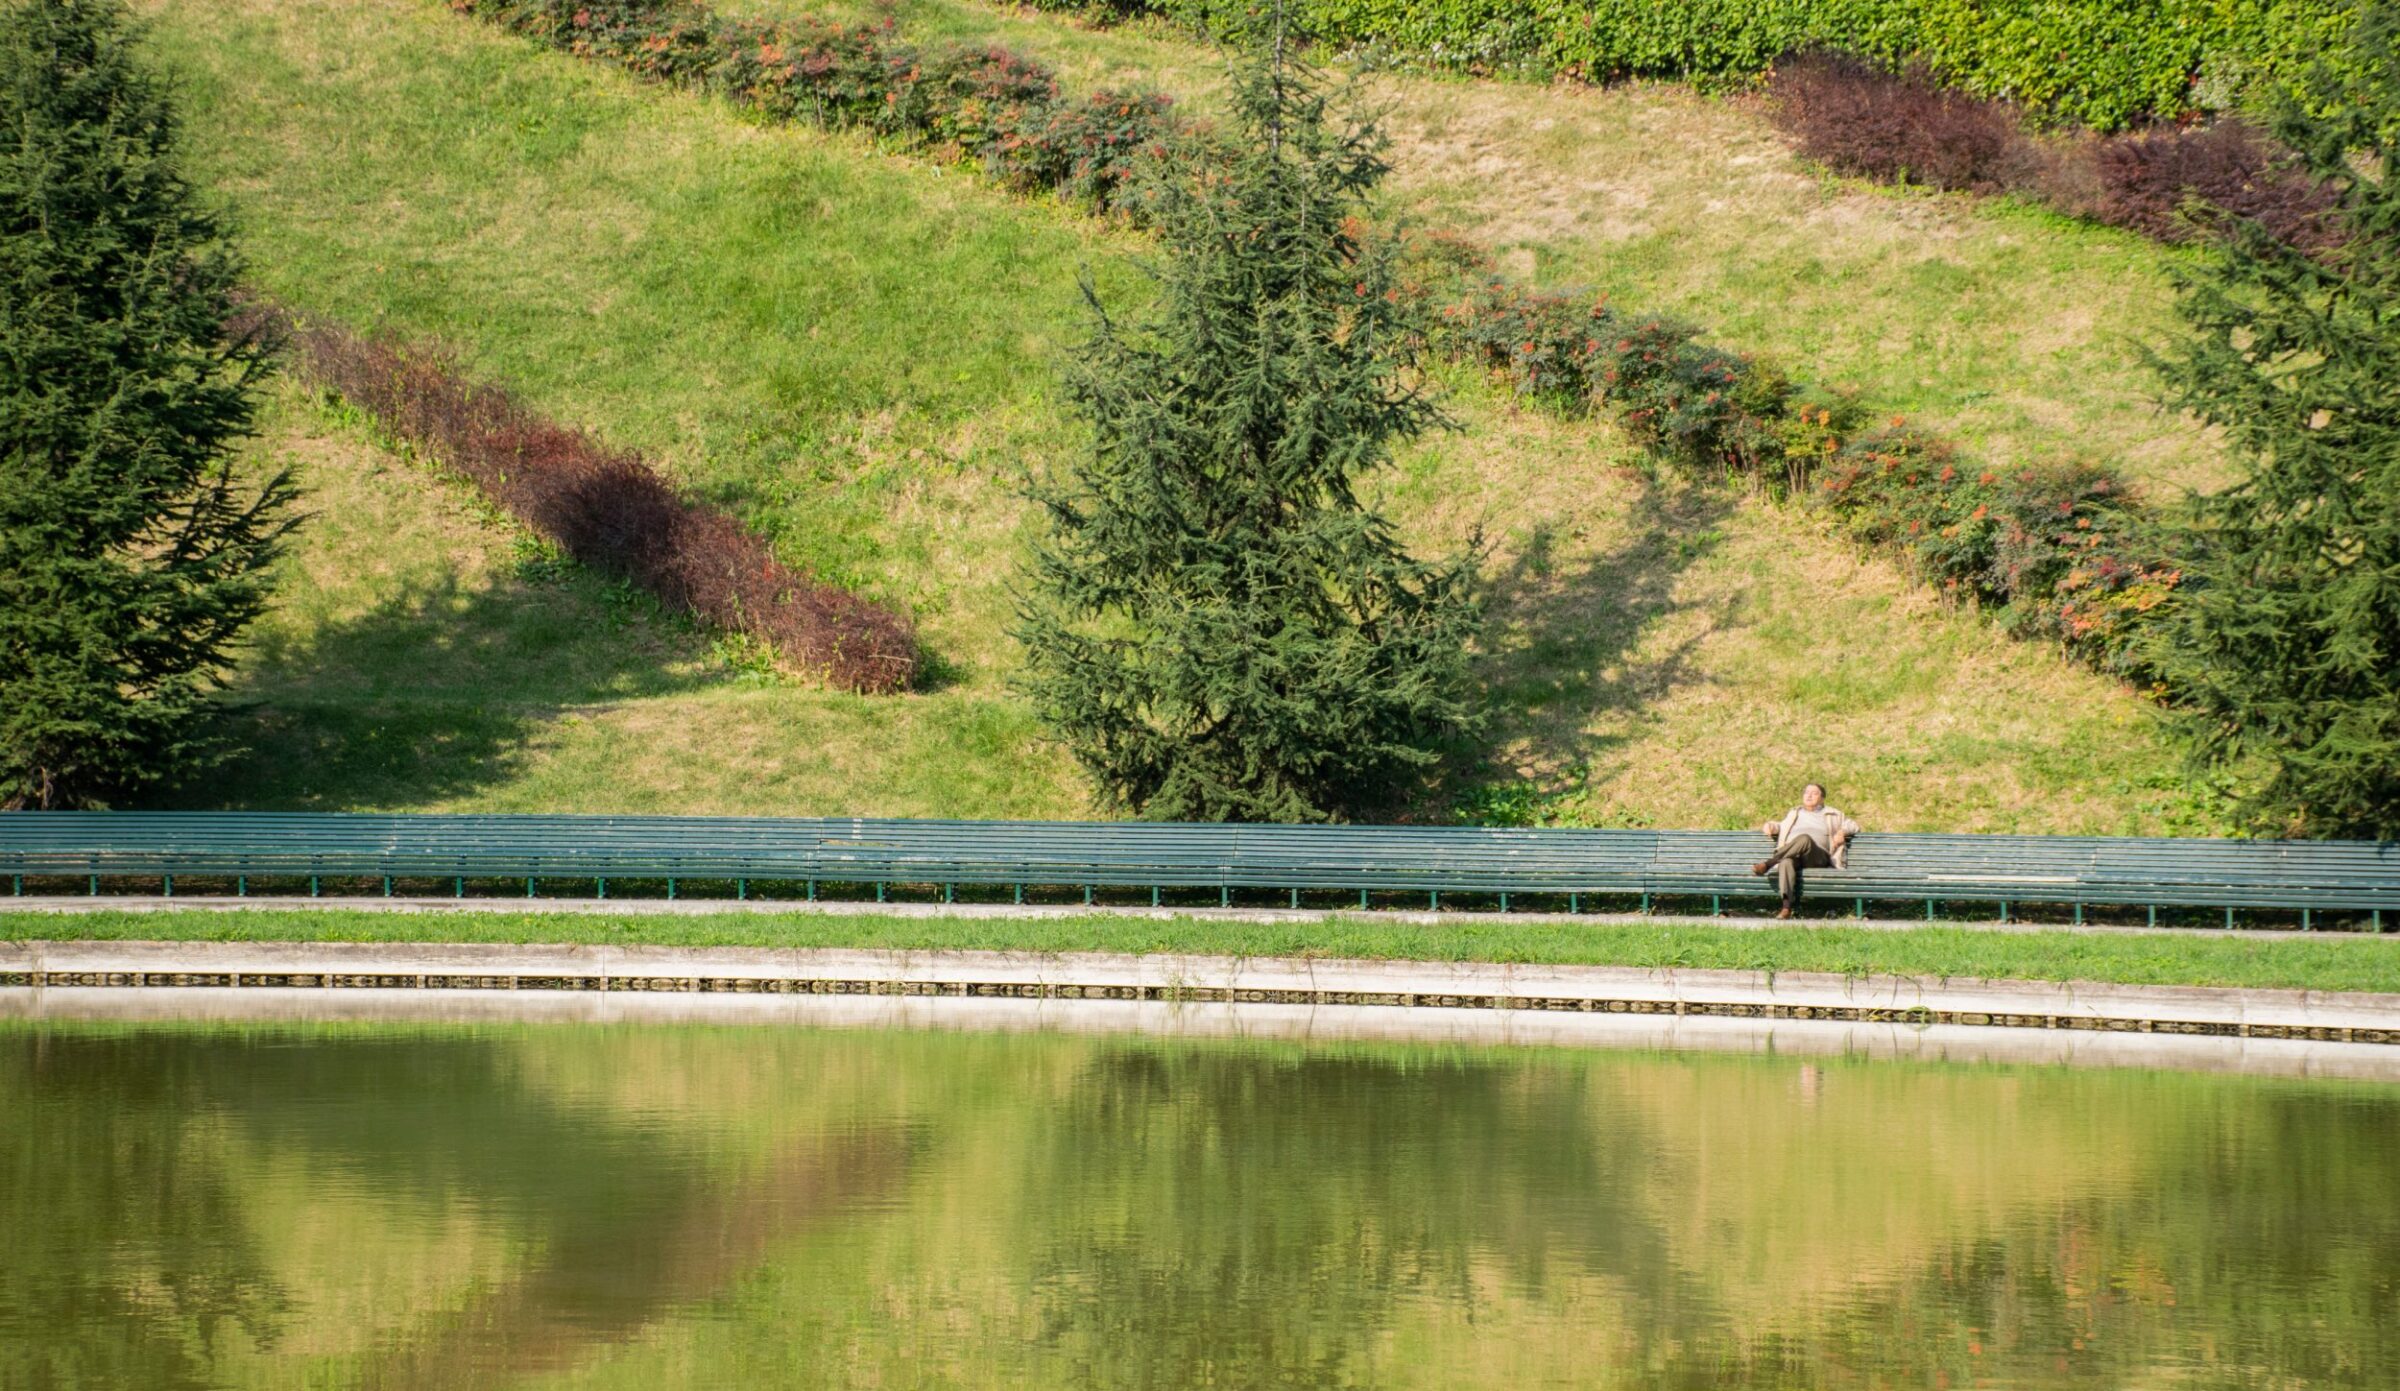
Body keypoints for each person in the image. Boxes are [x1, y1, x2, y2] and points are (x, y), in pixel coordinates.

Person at [1751, 783, 1859, 919]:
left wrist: (1843, 831)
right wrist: (1771, 826)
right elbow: (1781, 826)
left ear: (1822, 798)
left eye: (1814, 793)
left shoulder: (1833, 813)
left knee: (1804, 838)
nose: (1809, 795)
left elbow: (1853, 825)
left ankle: (1768, 864)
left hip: (1818, 856)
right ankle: (1786, 908)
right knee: (1786, 862)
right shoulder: (1794, 813)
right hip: (1795, 855)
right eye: (1806, 792)